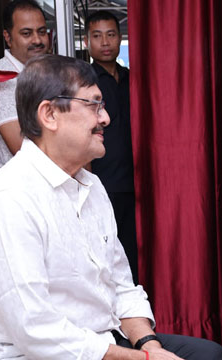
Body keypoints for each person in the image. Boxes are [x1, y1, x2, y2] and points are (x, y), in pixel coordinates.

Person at [0, 54, 222, 360]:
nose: (106, 118)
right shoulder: (10, 198)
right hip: (32, 354)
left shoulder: (91, 186)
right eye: (93, 105)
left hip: (99, 340)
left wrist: (150, 347)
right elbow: (35, 331)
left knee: (211, 354)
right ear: (49, 115)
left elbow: (120, 285)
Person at [83, 10, 139, 284]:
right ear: (86, 42)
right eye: (97, 36)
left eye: (111, 34)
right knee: (106, 254)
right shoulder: (84, 81)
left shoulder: (133, 78)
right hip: (103, 181)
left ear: (120, 38)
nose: (105, 42)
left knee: (135, 252)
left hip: (137, 180)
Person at [0, 0, 50, 168]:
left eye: (41, 32)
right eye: (26, 34)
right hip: (23, 188)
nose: (37, 40)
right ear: (8, 37)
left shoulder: (51, 71)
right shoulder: (0, 79)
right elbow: (22, 149)